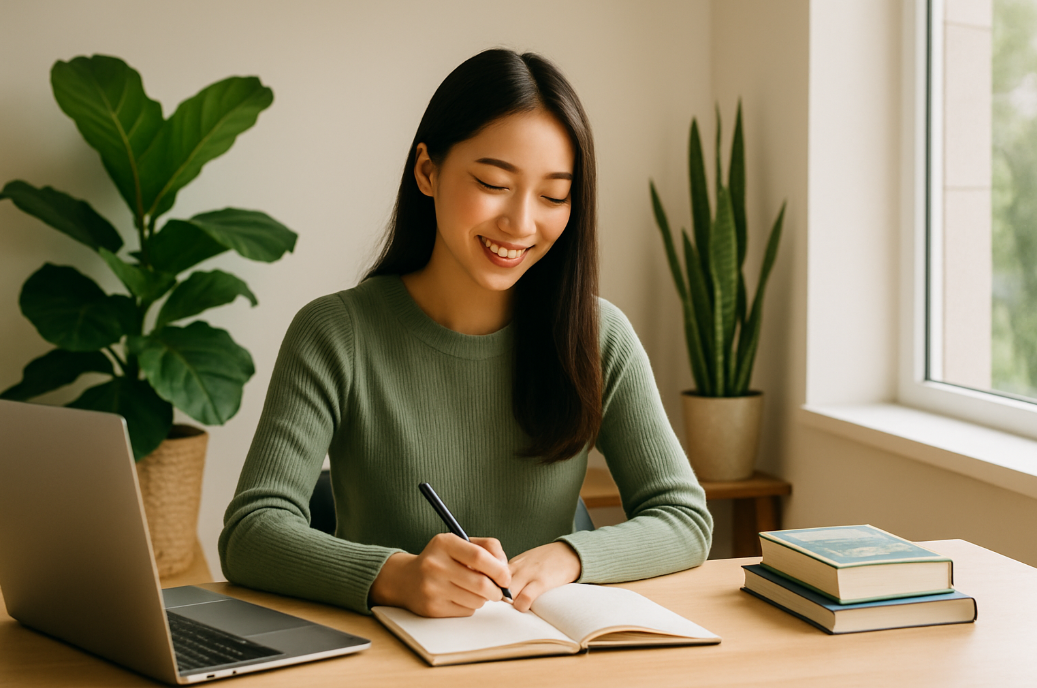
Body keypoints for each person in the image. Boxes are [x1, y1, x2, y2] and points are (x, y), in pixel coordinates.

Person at [219, 48, 713, 619]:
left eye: (553, 196)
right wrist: (396, 576)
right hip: (389, 658)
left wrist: (567, 557)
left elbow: (683, 517)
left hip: (541, 657)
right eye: (493, 182)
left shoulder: (599, 336)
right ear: (427, 171)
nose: (522, 224)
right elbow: (252, 532)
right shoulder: (336, 334)